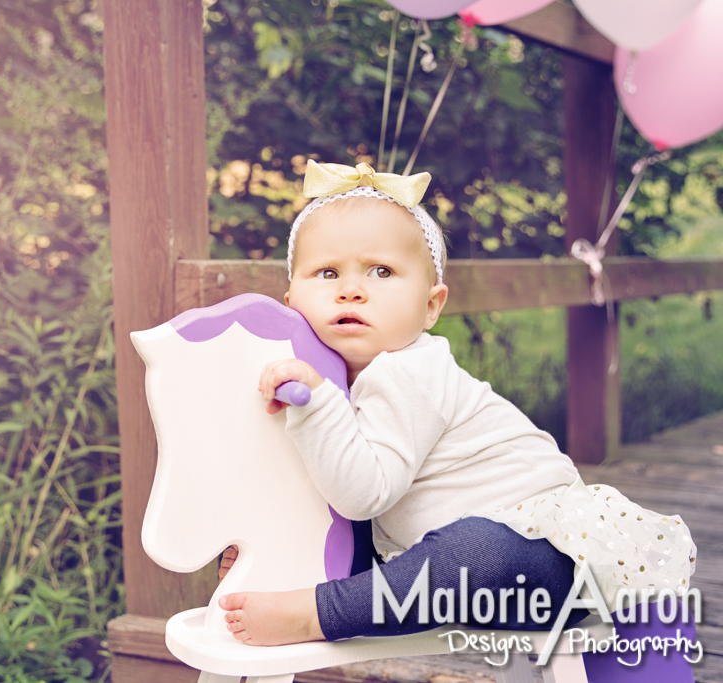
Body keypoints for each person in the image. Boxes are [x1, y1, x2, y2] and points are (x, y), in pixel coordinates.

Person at [216, 160, 697, 648]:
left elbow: (363, 494)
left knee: (475, 549)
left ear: (431, 306)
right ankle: (288, 566)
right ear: (290, 297)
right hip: (439, 557)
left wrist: (316, 404)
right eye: (327, 272)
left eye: (381, 271)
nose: (351, 289)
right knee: (380, 531)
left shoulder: (411, 370)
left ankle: (317, 614)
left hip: (545, 558)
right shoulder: (331, 375)